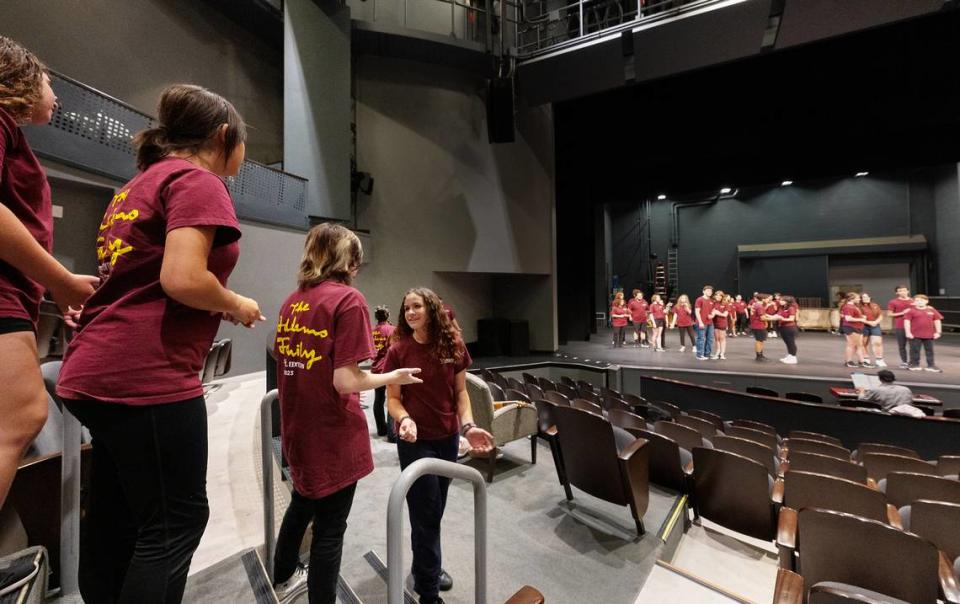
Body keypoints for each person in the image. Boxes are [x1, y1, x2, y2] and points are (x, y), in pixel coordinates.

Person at [56, 84, 264, 603]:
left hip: (92, 368)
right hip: (146, 374)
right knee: (177, 524)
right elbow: (182, 278)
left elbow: (151, 278)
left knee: (119, 517)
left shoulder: (136, 186)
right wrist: (233, 302)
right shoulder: (199, 180)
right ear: (222, 136)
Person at [271, 224, 421, 603]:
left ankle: (284, 573)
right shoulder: (348, 300)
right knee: (330, 529)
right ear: (347, 259)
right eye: (356, 258)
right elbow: (345, 380)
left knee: (302, 501)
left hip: (298, 427)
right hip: (331, 431)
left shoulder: (293, 301)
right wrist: (393, 375)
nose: (358, 266)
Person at [0, 38, 99, 521]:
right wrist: (58, 279)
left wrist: (52, 286)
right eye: (48, 82)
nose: (55, 95)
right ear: (17, 76)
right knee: (19, 416)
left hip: (15, 293)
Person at [384, 287, 494, 604]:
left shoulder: (453, 346)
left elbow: (460, 394)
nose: (410, 313)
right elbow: (392, 399)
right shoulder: (399, 350)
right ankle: (429, 593)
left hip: (446, 441)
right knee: (427, 514)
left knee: (433, 512)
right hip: (416, 444)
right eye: (406, 309)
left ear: (431, 309)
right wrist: (403, 419)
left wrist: (469, 426)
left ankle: (423, 570)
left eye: (416, 306)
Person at [372, 305, 397, 441]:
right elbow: (394, 349)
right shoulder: (392, 329)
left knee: (379, 399)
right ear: (387, 315)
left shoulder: (372, 331)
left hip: (375, 369)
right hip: (388, 369)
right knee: (393, 399)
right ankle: (392, 434)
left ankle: (381, 429)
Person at [856, 370, 925, 418]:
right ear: (893, 379)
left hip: (883, 418)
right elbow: (910, 403)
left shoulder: (876, 390)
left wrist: (861, 391)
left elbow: (861, 401)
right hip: (904, 419)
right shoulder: (906, 389)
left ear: (880, 379)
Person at [904, 294, 943, 373]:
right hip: (915, 335)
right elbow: (906, 322)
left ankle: (931, 365)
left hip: (929, 335)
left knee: (930, 350)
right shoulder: (911, 311)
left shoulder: (932, 310)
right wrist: (908, 332)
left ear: (926, 301)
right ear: (914, 302)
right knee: (915, 350)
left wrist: (938, 332)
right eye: (917, 300)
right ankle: (914, 365)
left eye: (921, 300)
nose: (919, 302)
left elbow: (937, 321)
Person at [887, 285, 914, 369]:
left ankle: (913, 362)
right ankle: (904, 362)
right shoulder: (893, 302)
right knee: (902, 345)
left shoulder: (913, 301)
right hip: (900, 326)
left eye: (904, 290)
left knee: (913, 346)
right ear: (897, 293)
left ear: (908, 291)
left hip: (913, 327)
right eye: (900, 291)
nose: (902, 292)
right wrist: (902, 312)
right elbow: (889, 314)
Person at [840, 292, 867, 368]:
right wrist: (861, 319)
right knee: (852, 345)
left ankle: (862, 361)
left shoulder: (854, 306)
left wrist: (861, 318)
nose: (859, 299)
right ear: (852, 299)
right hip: (851, 327)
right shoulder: (848, 307)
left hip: (857, 327)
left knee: (858, 345)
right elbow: (848, 318)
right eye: (858, 298)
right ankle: (849, 361)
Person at [859, 292, 886, 367]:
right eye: (864, 297)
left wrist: (875, 322)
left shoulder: (875, 305)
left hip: (875, 325)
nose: (866, 298)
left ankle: (879, 359)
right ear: (861, 299)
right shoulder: (858, 307)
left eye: (867, 297)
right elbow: (860, 318)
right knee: (863, 343)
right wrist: (869, 322)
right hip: (863, 325)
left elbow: (880, 315)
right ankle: (866, 358)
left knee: (877, 342)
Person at [775, 295, 799, 364]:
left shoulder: (791, 308)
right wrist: (768, 317)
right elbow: (777, 316)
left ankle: (793, 357)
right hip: (783, 327)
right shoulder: (782, 308)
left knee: (791, 342)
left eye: (782, 300)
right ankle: (790, 355)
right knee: (787, 343)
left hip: (789, 327)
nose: (780, 301)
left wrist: (782, 319)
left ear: (787, 302)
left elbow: (791, 319)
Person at [749, 293, 772, 361]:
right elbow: (762, 318)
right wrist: (774, 318)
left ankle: (760, 355)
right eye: (767, 299)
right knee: (759, 341)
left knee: (760, 340)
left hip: (756, 325)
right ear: (763, 299)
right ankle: (759, 356)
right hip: (759, 325)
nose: (769, 300)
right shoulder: (759, 306)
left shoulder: (756, 304)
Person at [693, 285, 714, 360]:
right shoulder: (699, 299)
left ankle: (707, 353)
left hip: (710, 322)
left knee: (710, 338)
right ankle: (699, 355)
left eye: (711, 291)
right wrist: (700, 322)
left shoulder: (711, 301)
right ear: (703, 291)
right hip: (701, 322)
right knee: (701, 338)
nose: (710, 292)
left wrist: (712, 315)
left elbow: (712, 311)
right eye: (708, 291)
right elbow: (697, 311)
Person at [710, 291, 729, 360]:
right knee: (717, 339)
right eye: (717, 295)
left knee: (722, 338)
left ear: (722, 297)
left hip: (722, 323)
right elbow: (712, 314)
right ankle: (717, 352)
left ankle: (722, 354)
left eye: (720, 295)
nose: (718, 297)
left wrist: (717, 312)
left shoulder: (725, 304)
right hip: (714, 323)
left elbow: (725, 315)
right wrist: (712, 314)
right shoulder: (713, 303)